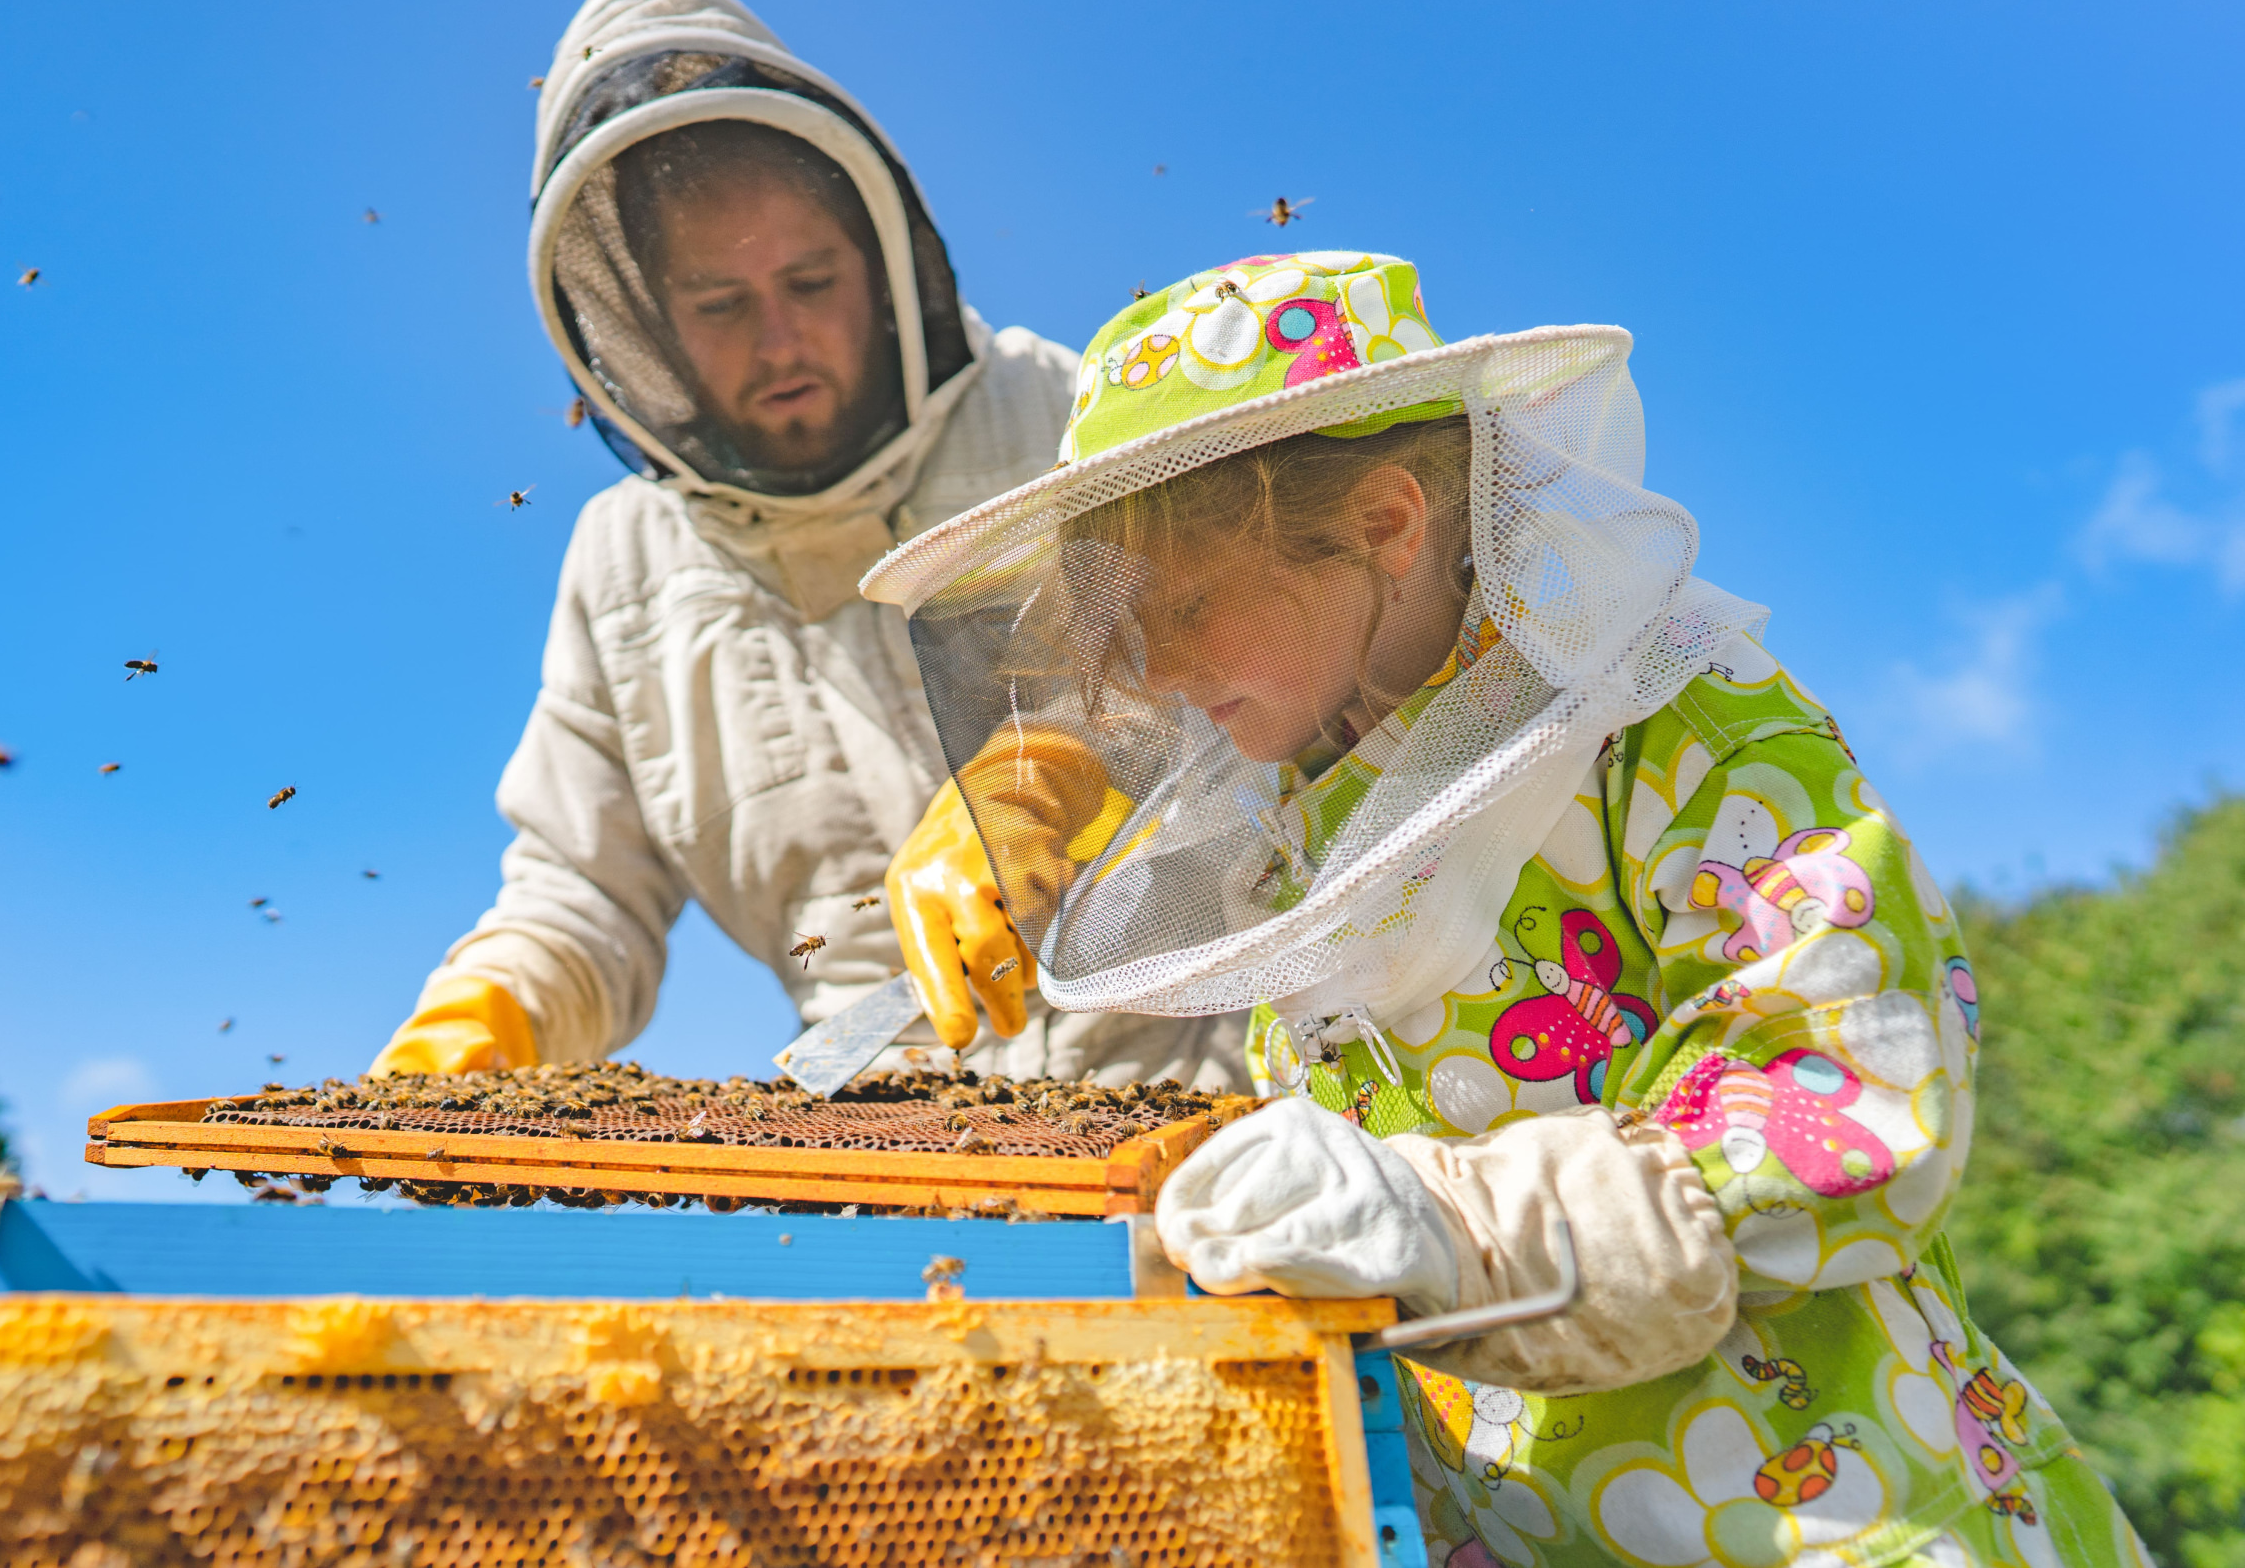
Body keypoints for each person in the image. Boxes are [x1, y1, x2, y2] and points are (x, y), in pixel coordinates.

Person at [860, 252, 2148, 1568]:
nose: (1156, 672)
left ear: (1386, 522)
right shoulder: (1298, 834)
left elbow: (1857, 1086)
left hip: (1839, 1517)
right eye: (1129, 627)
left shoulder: (1680, 715)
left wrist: (1462, 1225)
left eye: (1183, 608)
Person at [369, 0, 1247, 1091]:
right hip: (879, 1123)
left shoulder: (1057, 411)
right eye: (721, 305)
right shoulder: (621, 564)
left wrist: (1050, 767)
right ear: (648, 329)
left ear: (880, 270)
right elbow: (582, 893)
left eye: (811, 280)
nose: (779, 340)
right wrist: (493, 1009)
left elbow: (1246, 656)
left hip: (1204, 1082)